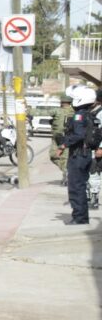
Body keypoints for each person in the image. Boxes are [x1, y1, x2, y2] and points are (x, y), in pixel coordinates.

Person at [63, 85, 98, 225]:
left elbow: (79, 135)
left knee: (76, 187)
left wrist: (63, 144)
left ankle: (79, 217)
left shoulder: (79, 116)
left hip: (78, 156)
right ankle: (81, 216)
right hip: (85, 155)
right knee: (81, 187)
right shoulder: (89, 114)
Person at [50, 97, 74, 185]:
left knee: (62, 158)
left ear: (62, 102)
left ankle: (67, 174)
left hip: (63, 138)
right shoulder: (73, 111)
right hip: (61, 138)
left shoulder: (58, 111)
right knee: (54, 156)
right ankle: (67, 171)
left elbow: (42, 112)